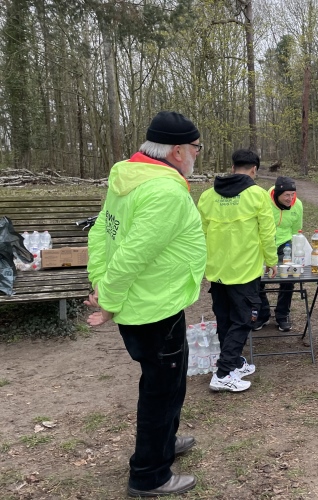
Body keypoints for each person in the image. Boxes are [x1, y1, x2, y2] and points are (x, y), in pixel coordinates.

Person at [85, 111, 207, 497]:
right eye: (196, 148)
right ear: (176, 151)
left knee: (167, 384)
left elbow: (102, 233)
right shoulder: (164, 191)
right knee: (161, 392)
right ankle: (150, 475)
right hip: (154, 308)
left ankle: (164, 444)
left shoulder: (129, 176)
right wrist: (107, 300)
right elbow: (131, 255)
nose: (197, 154)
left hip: (152, 302)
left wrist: (100, 283)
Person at [197, 149, 278, 392]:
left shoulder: (208, 196)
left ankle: (233, 363)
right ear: (254, 170)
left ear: (233, 168)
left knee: (225, 319)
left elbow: (200, 233)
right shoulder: (258, 195)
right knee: (243, 320)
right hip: (245, 271)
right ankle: (223, 374)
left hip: (217, 271)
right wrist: (271, 260)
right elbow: (267, 232)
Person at [258, 176, 303, 332]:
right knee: (257, 277)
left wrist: (295, 249)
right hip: (263, 243)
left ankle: (282, 315)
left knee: (288, 278)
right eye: (286, 195)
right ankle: (262, 314)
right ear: (277, 194)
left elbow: (296, 230)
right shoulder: (263, 201)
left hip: (285, 245)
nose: (290, 199)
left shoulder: (297, 205)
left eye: (292, 194)